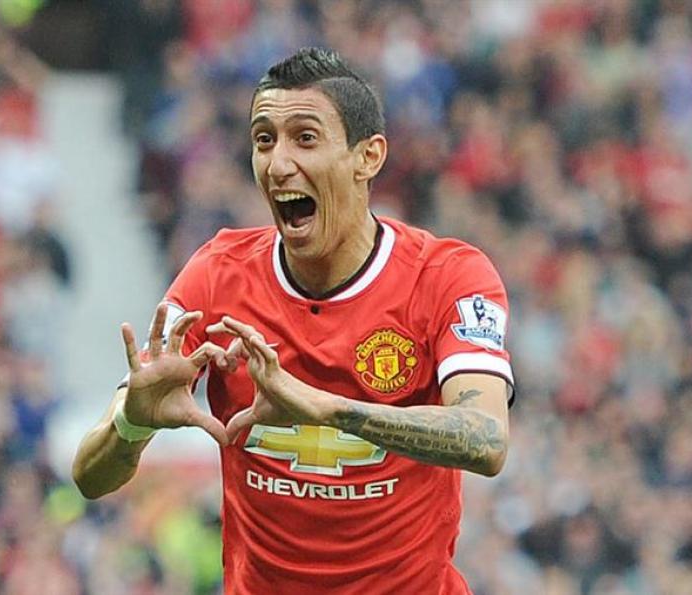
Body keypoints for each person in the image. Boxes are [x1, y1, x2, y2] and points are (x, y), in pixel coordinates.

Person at [73, 47, 514, 594]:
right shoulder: (216, 276)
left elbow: (487, 438)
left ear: (368, 157)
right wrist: (133, 424)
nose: (278, 164)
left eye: (305, 138)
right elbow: (90, 478)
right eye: (264, 139)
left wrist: (324, 409)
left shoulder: (446, 276)